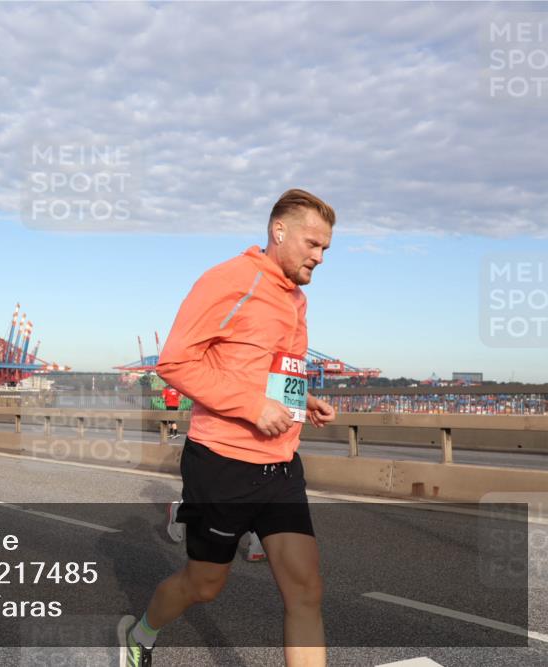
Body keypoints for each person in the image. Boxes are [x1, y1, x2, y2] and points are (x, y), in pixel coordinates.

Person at [119, 189, 338, 667]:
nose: (320, 257)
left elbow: (267, 369)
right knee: (204, 584)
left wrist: (302, 402)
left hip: (280, 466)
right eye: (312, 244)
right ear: (279, 232)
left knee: (305, 591)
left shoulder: (296, 299)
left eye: (326, 249)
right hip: (222, 463)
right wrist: (251, 407)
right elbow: (174, 361)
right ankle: (141, 634)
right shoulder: (228, 280)